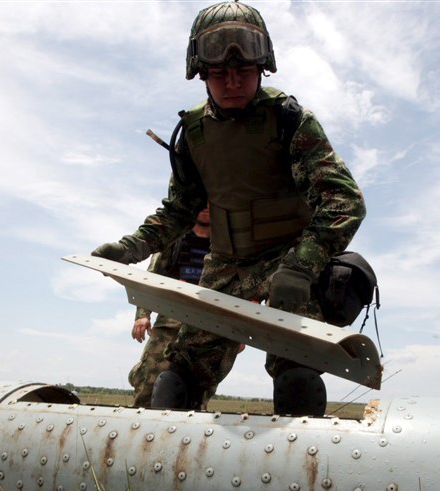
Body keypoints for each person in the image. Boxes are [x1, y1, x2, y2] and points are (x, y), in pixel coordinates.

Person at [93, 1, 366, 416]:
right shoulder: (194, 134)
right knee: (180, 372)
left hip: (287, 262)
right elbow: (179, 210)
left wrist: (301, 267)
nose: (232, 82)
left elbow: (345, 201)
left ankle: (299, 470)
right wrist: (130, 249)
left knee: (297, 369)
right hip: (224, 265)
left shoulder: (291, 121)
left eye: (244, 72)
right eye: (219, 73)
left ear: (263, 69)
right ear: (201, 74)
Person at [127, 207, 239, 408]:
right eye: (200, 202)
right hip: (171, 320)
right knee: (150, 379)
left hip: (210, 327)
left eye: (209, 202)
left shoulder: (226, 243)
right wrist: (142, 315)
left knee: (200, 387)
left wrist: (239, 332)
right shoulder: (175, 239)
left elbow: (238, 286)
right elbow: (152, 276)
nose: (205, 208)